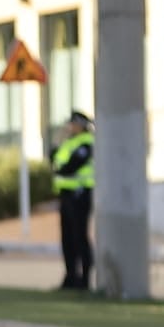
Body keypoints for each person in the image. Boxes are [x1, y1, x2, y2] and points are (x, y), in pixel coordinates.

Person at [54, 110, 95, 291]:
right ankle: (70, 277)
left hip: (80, 194)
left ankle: (84, 280)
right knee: (67, 238)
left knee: (80, 237)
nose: (69, 127)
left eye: (72, 123)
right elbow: (54, 159)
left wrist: (59, 168)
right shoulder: (69, 142)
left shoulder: (86, 142)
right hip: (66, 194)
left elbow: (69, 167)